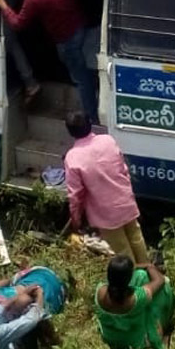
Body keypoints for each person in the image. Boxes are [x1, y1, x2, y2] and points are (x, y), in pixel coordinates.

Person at [0, 0, 96, 122]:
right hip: (80, 29)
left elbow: (17, 23)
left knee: (80, 79)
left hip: (67, 41)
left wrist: (2, 3)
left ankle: (91, 118)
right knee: (85, 75)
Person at [63, 111, 148, 263]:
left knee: (124, 254)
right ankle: (150, 273)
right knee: (137, 239)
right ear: (90, 124)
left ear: (70, 132)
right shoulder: (108, 140)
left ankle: (137, 282)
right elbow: (123, 170)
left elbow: (75, 196)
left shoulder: (73, 157)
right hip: (125, 201)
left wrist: (76, 219)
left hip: (105, 214)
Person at [94, 256, 175, 349]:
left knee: (141, 276)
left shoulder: (100, 291)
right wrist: (149, 266)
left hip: (111, 338)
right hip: (134, 343)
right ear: (128, 279)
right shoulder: (136, 299)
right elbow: (160, 281)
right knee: (156, 284)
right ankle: (161, 325)